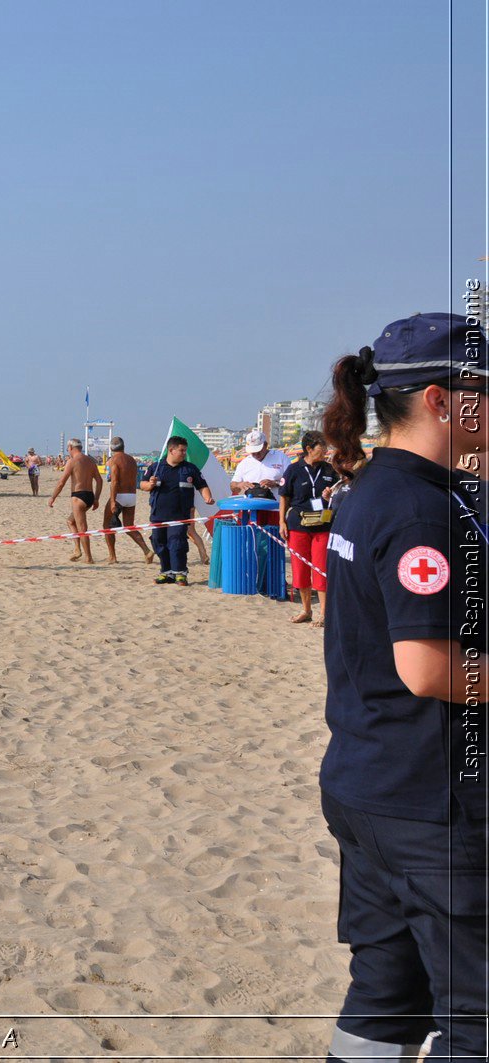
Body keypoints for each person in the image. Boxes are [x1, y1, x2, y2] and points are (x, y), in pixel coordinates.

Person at [316, 313, 486, 1063]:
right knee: (477, 1015)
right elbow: (425, 665)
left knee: (387, 998)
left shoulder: (381, 487)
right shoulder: (419, 506)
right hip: (427, 801)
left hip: (371, 785)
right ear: (443, 400)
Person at [278, 430, 336, 624]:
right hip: (298, 525)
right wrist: (281, 523)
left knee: (321, 568)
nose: (326, 451)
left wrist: (329, 495)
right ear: (309, 449)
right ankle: (306, 610)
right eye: (323, 447)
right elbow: (284, 497)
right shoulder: (293, 470)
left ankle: (324, 613)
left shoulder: (329, 470)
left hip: (322, 526)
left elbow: (341, 492)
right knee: (300, 569)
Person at [141, 435, 215, 585]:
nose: (184, 453)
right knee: (158, 543)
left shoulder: (189, 469)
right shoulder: (155, 468)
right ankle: (166, 572)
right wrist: (150, 485)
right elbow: (142, 485)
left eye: (185, 450)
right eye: (181, 450)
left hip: (180, 515)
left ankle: (180, 573)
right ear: (171, 450)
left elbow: (202, 485)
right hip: (158, 515)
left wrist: (208, 498)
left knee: (176, 543)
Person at [47, 438, 104, 563]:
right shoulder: (90, 461)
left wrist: (53, 497)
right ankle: (77, 549)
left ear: (71, 448)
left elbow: (62, 482)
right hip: (89, 496)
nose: (68, 450)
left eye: (68, 448)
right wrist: (96, 498)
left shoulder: (72, 462)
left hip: (78, 496)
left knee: (82, 528)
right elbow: (99, 480)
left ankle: (88, 557)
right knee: (70, 521)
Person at [101, 437, 153, 564]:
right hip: (131, 495)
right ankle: (147, 550)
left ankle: (112, 556)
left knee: (106, 525)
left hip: (119, 495)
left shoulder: (114, 460)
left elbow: (114, 481)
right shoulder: (131, 460)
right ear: (123, 446)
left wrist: (113, 501)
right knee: (129, 525)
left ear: (111, 448)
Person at [232, 428, 294, 507]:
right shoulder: (244, 463)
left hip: (277, 508)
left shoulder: (281, 457)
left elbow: (293, 481)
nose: (256, 454)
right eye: (253, 452)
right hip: (251, 509)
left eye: (258, 451)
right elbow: (233, 486)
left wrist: (276, 483)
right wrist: (239, 485)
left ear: (265, 445)